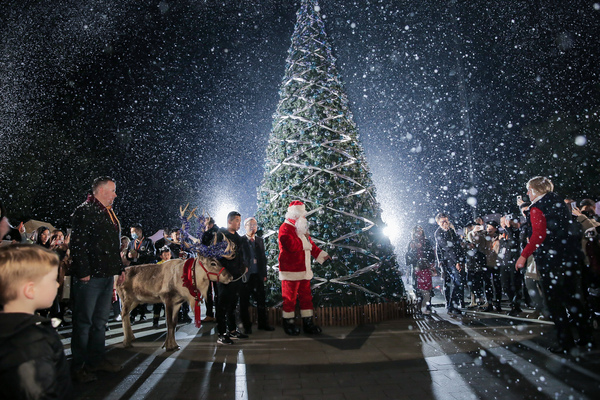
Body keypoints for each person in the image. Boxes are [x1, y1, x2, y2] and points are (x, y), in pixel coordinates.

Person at [515, 176, 593, 353]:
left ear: (536, 190)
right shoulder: (559, 202)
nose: (528, 193)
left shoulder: (537, 208)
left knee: (554, 301)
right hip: (569, 257)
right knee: (572, 298)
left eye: (529, 189)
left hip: (551, 260)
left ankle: (565, 342)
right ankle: (586, 336)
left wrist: (523, 256)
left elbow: (538, 236)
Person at [0, 244, 73, 399]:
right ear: (30, 290)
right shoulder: (32, 342)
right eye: (53, 279)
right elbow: (38, 391)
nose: (58, 284)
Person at [70, 176, 124, 382]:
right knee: (84, 322)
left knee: (100, 322)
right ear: (101, 191)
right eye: (112, 190)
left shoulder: (108, 213)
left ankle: (96, 360)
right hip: (89, 277)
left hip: (105, 275)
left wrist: (119, 269)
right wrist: (83, 272)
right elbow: (78, 245)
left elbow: (112, 247)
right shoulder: (85, 211)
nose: (115, 194)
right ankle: (78, 367)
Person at [278, 200, 331, 335]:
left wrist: (321, 256)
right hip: (291, 272)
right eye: (301, 215)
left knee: (306, 298)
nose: (303, 218)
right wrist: (305, 240)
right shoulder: (285, 228)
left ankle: (308, 324)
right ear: (294, 215)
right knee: (289, 299)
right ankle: (288, 325)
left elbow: (310, 245)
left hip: (304, 271)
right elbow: (290, 245)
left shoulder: (300, 229)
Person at [216, 212, 248, 344]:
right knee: (222, 305)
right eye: (237, 221)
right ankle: (221, 333)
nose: (239, 224)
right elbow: (216, 256)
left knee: (233, 305)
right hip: (224, 277)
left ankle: (232, 331)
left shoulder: (240, 239)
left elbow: (242, 256)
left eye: (240, 221)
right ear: (229, 221)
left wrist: (244, 266)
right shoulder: (220, 236)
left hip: (237, 277)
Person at [240, 217, 274, 334]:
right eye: (250, 224)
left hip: (258, 275)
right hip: (246, 276)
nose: (252, 227)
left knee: (261, 300)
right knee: (244, 302)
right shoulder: (241, 240)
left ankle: (263, 324)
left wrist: (264, 274)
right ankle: (246, 326)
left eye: (254, 224)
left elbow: (263, 259)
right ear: (245, 226)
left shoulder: (259, 240)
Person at [434, 212, 464, 315]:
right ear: (438, 222)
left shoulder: (451, 231)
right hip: (448, 262)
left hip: (455, 261)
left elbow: (457, 246)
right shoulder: (438, 233)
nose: (445, 223)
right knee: (454, 283)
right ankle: (451, 305)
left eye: (446, 221)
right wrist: (456, 262)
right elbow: (448, 247)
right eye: (442, 221)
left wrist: (461, 260)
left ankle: (452, 305)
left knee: (457, 283)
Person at [126, 224, 155, 323]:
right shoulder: (131, 243)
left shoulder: (148, 242)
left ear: (140, 231)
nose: (132, 234)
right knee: (133, 293)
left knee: (143, 293)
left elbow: (152, 254)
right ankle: (133, 314)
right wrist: (129, 256)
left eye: (134, 232)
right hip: (134, 272)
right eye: (131, 232)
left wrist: (139, 255)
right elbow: (127, 256)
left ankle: (143, 314)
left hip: (144, 271)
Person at [201, 218, 219, 323]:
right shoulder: (206, 233)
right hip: (211, 266)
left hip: (212, 266)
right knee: (211, 291)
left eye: (207, 224)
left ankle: (214, 314)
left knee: (214, 291)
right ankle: (212, 314)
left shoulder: (215, 232)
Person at [152, 246, 172, 328]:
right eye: (165, 255)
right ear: (161, 256)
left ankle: (169, 321)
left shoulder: (173, 263)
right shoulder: (158, 264)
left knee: (169, 305)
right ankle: (155, 321)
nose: (167, 256)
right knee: (158, 305)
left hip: (170, 288)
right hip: (160, 288)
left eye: (168, 254)